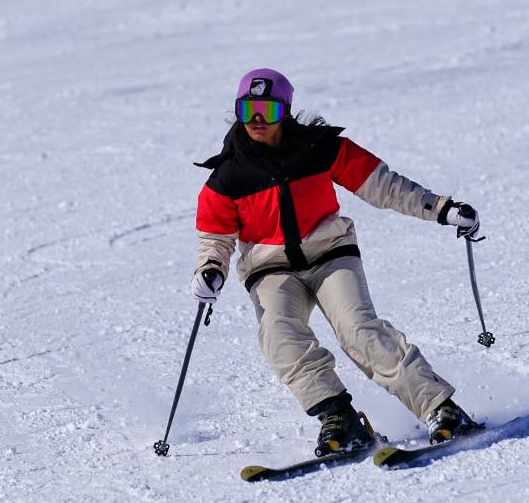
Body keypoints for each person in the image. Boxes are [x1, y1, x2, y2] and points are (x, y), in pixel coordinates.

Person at [191, 68, 481, 456]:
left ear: (285, 111)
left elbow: (385, 186)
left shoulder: (320, 148)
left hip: (330, 254)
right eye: (248, 110)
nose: (257, 120)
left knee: (358, 330)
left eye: (268, 111)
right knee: (278, 334)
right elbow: (215, 237)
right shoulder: (227, 175)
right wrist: (211, 270)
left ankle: (441, 409)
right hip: (270, 268)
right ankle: (339, 418)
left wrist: (441, 209)